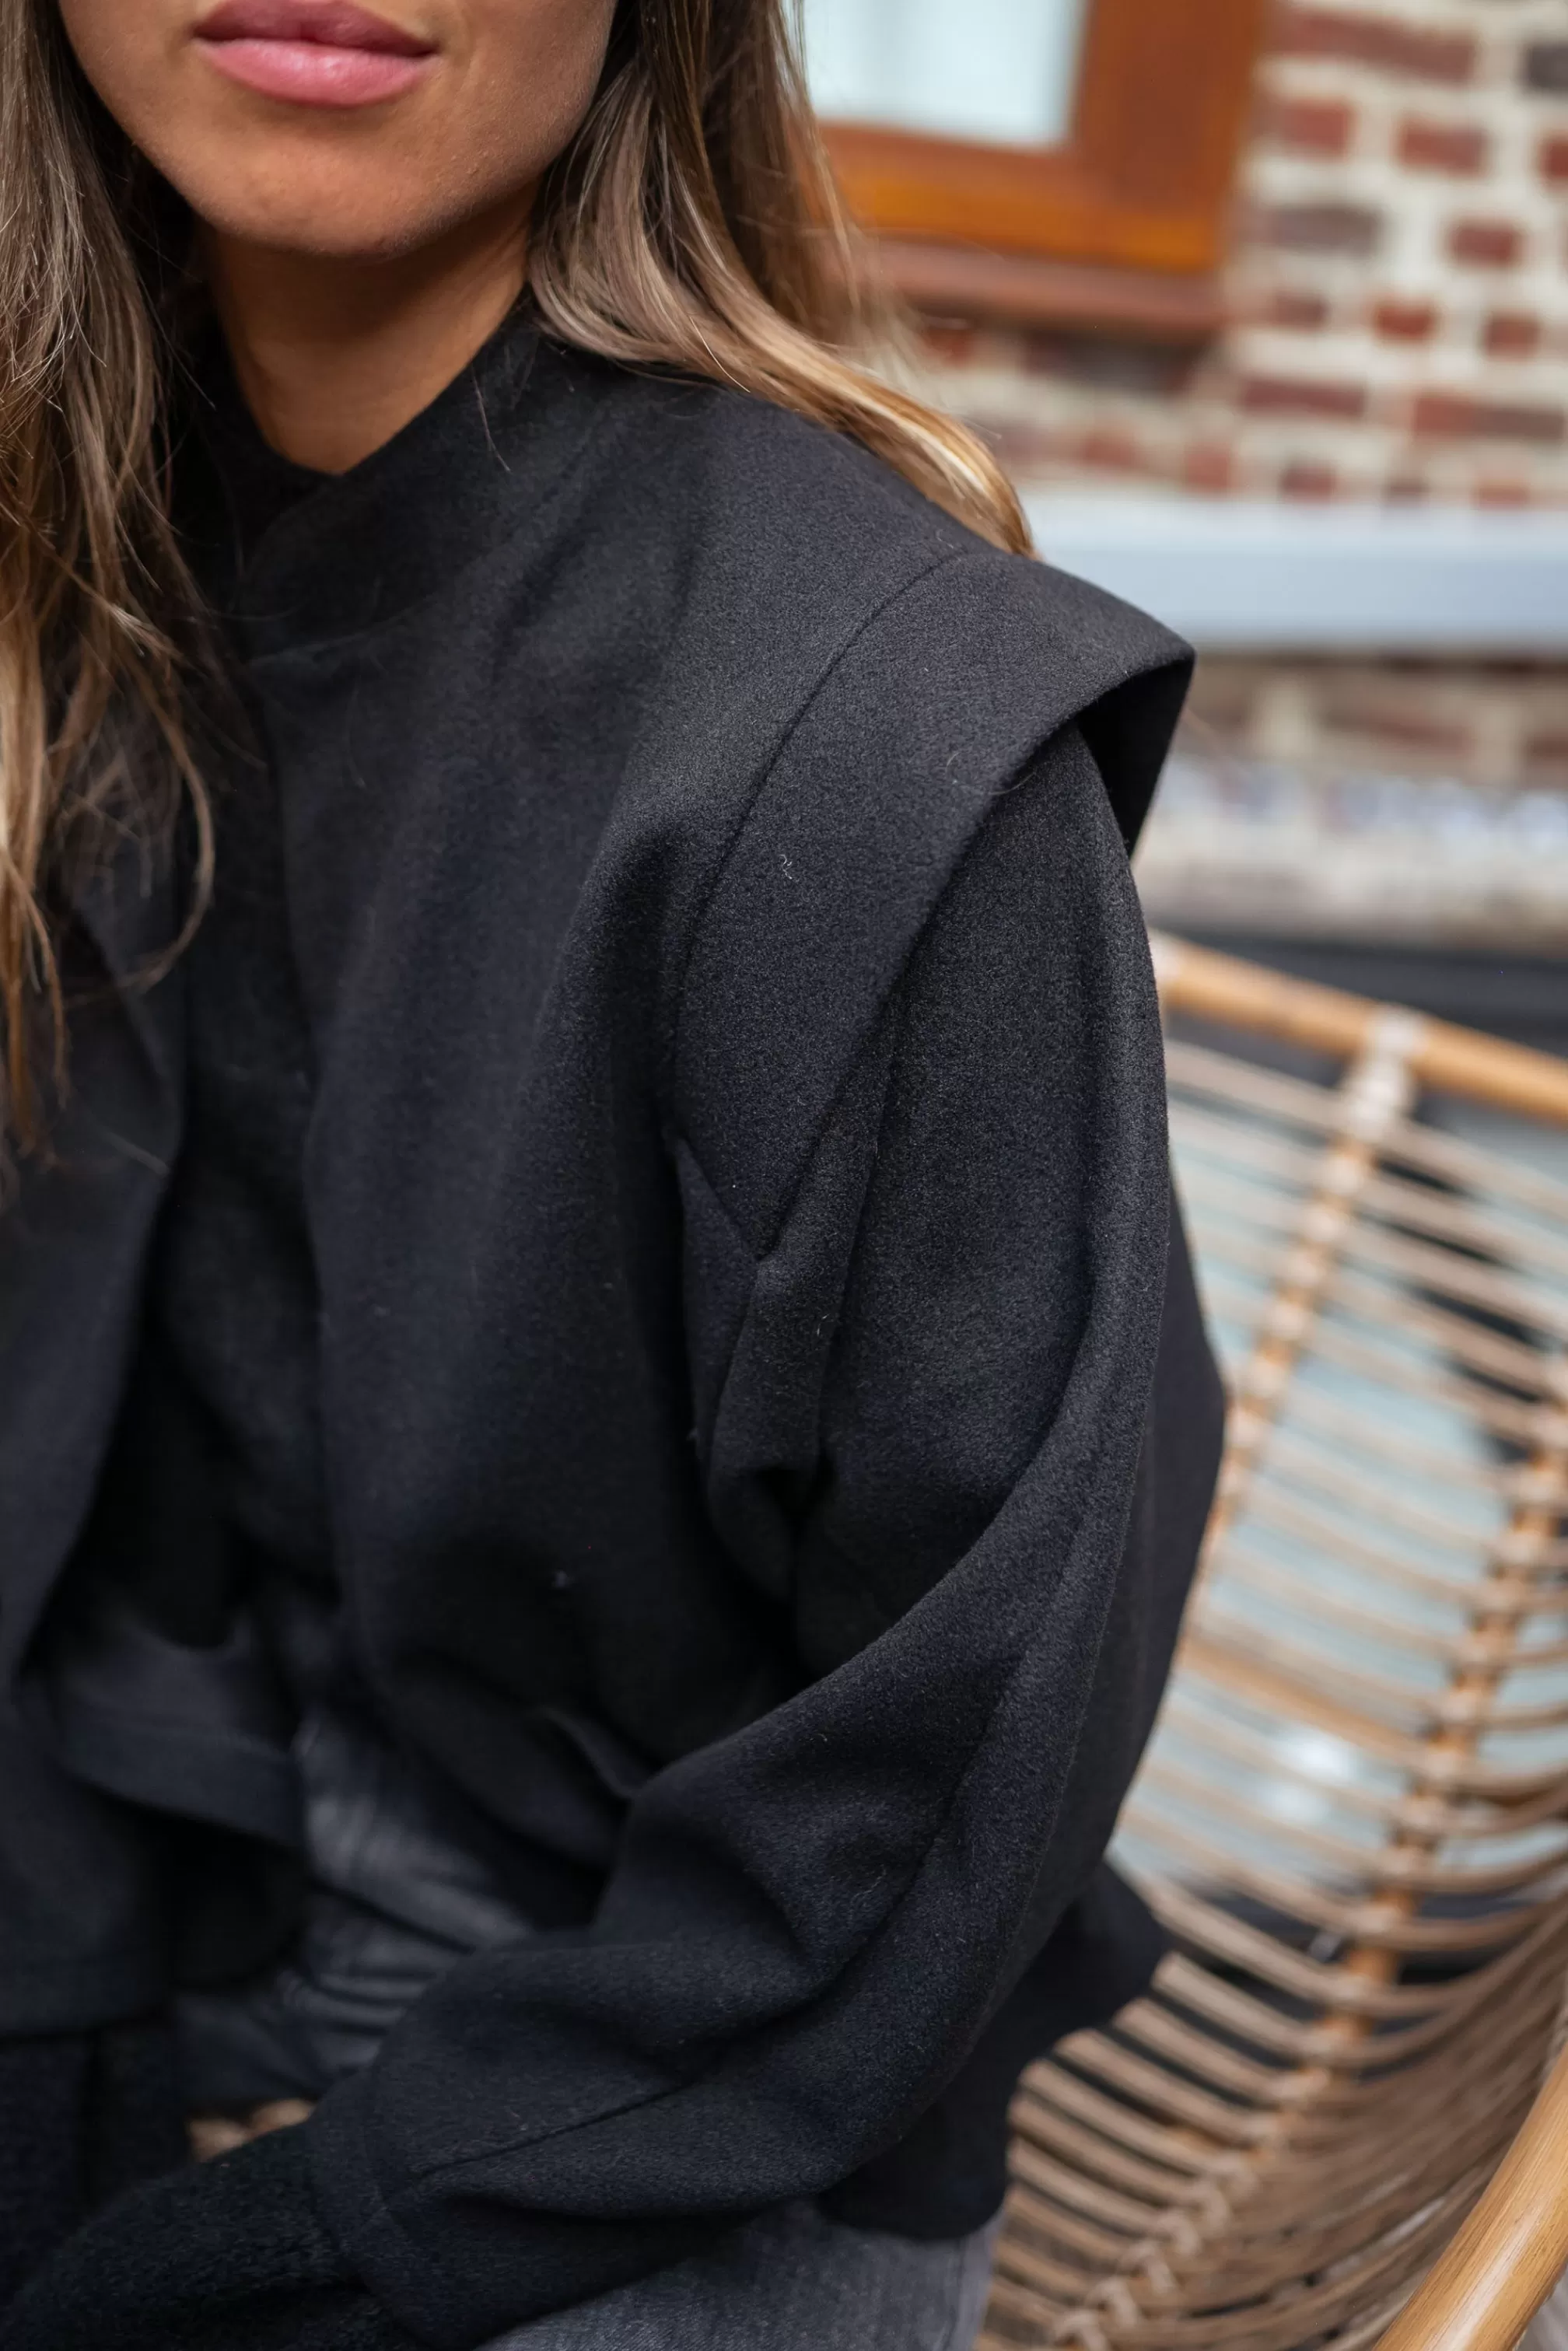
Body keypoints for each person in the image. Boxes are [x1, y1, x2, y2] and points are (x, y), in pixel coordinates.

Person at [0, 2, 1224, 2346]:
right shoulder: (94, 552)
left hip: (687, 2048)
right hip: (203, 1827)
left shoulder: (868, 738)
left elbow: (943, 1778)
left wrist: (280, 2250)